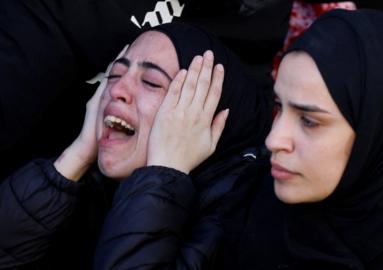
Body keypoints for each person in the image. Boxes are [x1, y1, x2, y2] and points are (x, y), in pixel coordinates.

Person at [214, 9, 383, 270]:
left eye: (309, 121)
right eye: (279, 106)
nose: (273, 140)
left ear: (380, 129)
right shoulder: (250, 200)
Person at [0, 22, 271, 269]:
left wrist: (165, 169)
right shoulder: (96, 183)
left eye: (151, 82)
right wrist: (78, 155)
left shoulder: (240, 215)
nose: (116, 91)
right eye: (114, 75)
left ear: (207, 114)